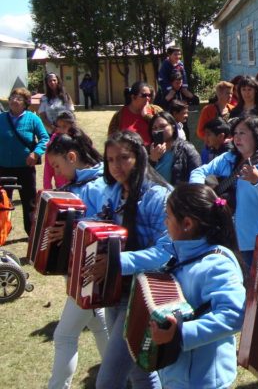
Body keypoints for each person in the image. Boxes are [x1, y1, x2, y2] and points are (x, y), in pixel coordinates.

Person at [118, 183, 245, 389]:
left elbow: (234, 315)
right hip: (177, 376)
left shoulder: (217, 263)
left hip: (203, 381)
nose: (165, 222)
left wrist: (181, 334)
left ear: (187, 224)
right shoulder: (178, 252)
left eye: (168, 216)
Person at [85, 131, 170, 389]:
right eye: (110, 160)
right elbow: (93, 226)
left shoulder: (158, 196)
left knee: (108, 381)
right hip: (113, 289)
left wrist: (117, 261)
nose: (116, 166)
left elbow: (165, 252)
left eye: (124, 158)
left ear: (139, 157)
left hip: (142, 294)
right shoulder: (111, 192)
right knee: (139, 372)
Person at [44, 130, 109, 389]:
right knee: (99, 324)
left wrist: (70, 231)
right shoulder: (73, 187)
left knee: (64, 335)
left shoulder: (99, 184)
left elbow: (104, 228)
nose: (57, 173)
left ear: (72, 157)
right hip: (81, 271)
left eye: (57, 166)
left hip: (91, 271)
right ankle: (122, 377)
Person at [189, 116, 258, 270]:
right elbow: (200, 171)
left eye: (243, 133)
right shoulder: (228, 158)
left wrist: (257, 180)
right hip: (226, 235)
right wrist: (202, 192)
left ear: (257, 134)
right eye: (235, 133)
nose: (237, 138)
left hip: (254, 238)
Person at [0, 87, 49, 235]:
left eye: (19, 98)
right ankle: (2, 232)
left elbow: (45, 138)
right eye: (13, 97)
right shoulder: (1, 118)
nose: (14, 100)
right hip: (3, 167)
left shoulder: (33, 118)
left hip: (25, 168)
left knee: (29, 202)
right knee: (2, 202)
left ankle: (32, 233)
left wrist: (36, 153)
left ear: (26, 103)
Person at [148, 111, 201, 185]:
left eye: (162, 126)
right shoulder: (149, 150)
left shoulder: (186, 148)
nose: (157, 131)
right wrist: (152, 160)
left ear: (173, 127)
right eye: (154, 128)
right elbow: (142, 177)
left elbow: (197, 175)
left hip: (178, 194)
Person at [107, 82, 163, 146]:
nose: (148, 98)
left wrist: (146, 116)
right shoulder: (119, 115)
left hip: (154, 152)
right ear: (133, 97)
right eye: (144, 95)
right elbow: (111, 140)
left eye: (149, 95)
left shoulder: (156, 110)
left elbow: (165, 128)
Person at [229, 76, 258, 140]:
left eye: (249, 89)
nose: (247, 93)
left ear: (255, 91)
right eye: (244, 89)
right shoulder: (235, 112)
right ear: (240, 92)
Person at [43, 110, 77, 190]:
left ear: (72, 126)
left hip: (78, 184)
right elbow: (48, 167)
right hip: (61, 186)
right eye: (59, 126)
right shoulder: (52, 143)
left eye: (65, 126)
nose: (61, 129)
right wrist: (47, 186)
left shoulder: (79, 141)